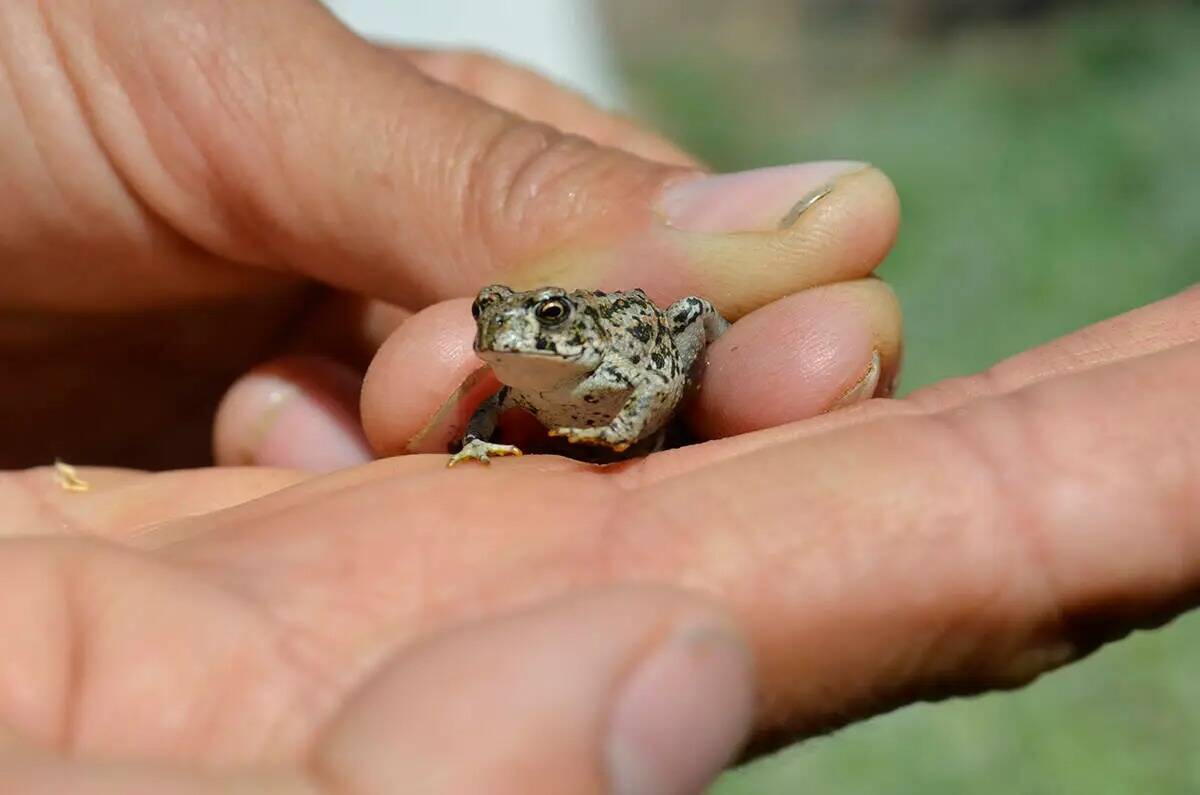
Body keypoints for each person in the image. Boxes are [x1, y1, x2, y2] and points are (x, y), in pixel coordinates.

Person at [1, 1, 1196, 792]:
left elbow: (659, 344)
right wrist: (478, 431)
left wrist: (645, 376)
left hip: (645, 357)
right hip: (545, 403)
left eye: (528, 320)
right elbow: (494, 370)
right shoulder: (506, 362)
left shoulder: (603, 344)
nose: (508, 335)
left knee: (764, 341)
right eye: (501, 324)